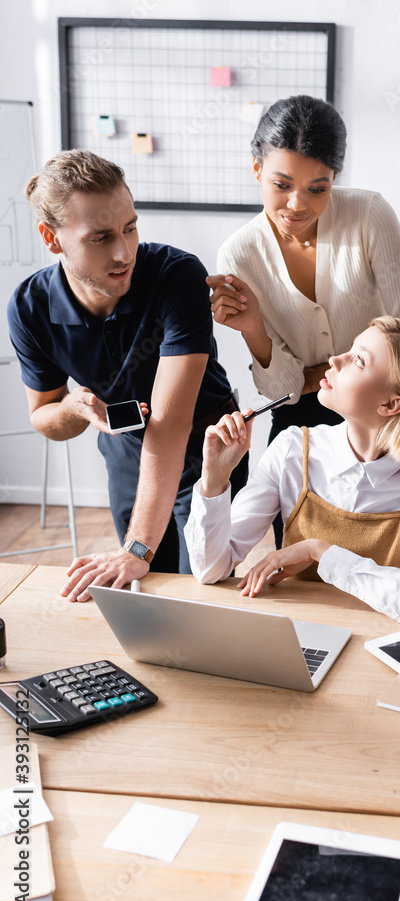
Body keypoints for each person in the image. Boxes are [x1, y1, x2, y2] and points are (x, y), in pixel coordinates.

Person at [8, 150, 247, 601]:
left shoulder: (176, 275)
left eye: (130, 228)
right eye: (100, 238)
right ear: (51, 238)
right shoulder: (28, 308)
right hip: (125, 452)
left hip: (206, 446)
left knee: (203, 587)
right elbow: (43, 417)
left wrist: (137, 545)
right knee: (146, 590)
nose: (124, 253)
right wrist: (72, 409)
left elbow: (170, 425)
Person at [206, 95, 400, 542]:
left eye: (317, 187)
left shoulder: (368, 214)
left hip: (382, 416)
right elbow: (284, 392)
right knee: (294, 558)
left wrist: (313, 375)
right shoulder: (239, 253)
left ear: (335, 179)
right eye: (281, 183)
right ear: (256, 169)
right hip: (299, 424)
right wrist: (253, 329)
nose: (297, 204)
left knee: (382, 555)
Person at [184, 317, 400, 627]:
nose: (335, 360)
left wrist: (318, 550)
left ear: (390, 404)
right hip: (298, 638)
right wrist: (214, 479)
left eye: (358, 360)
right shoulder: (291, 450)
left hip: (384, 650)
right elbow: (210, 569)